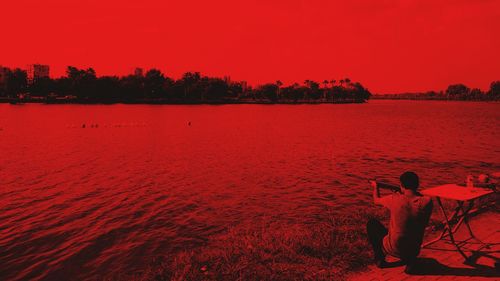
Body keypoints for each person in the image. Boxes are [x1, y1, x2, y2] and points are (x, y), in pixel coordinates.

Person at [366, 171, 433, 273]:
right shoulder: (427, 202)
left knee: (372, 224)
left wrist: (375, 187)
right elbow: (415, 201)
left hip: (394, 248)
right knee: (411, 231)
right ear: (417, 185)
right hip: (414, 249)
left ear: (401, 185)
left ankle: (380, 258)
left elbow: (376, 200)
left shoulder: (394, 199)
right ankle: (410, 261)